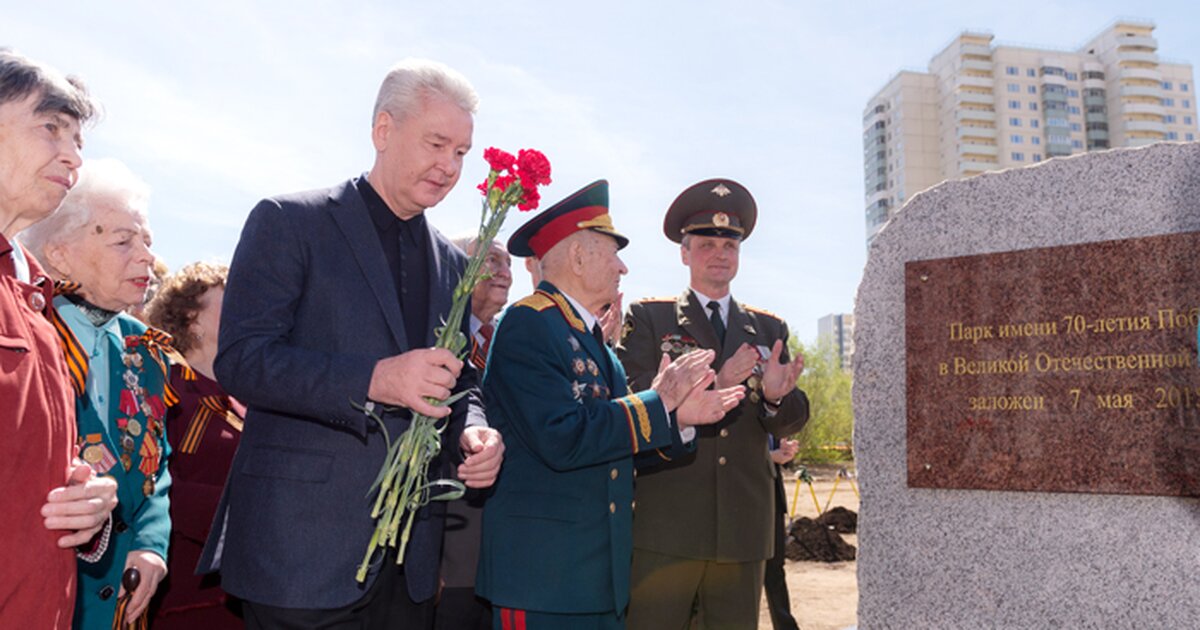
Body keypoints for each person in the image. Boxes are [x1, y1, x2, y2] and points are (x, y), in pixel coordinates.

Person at [197, 58, 504, 629]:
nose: (449, 166)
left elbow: (460, 380)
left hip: (408, 565)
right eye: (437, 144)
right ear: (383, 131)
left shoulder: (453, 265)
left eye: (461, 153)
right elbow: (242, 360)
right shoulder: (289, 221)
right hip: (300, 555)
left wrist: (474, 429)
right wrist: (375, 380)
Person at [476, 180, 745, 629]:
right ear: (578, 257)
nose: (622, 267)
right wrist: (659, 402)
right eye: (611, 252)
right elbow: (563, 437)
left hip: (596, 575)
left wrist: (678, 418)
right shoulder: (528, 324)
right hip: (544, 576)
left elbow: (616, 444)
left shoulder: (592, 341)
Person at [618, 178, 810, 629]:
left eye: (730, 244)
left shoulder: (767, 327)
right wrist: (714, 383)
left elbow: (795, 417)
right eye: (706, 243)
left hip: (742, 530)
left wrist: (778, 396)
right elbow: (631, 396)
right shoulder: (651, 317)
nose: (720, 253)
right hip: (667, 527)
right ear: (684, 253)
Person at [21, 157, 173, 629]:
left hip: (120, 607)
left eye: (146, 240)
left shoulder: (145, 350)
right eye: (123, 241)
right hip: (40, 593)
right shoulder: (26, 333)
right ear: (60, 254)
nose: (147, 256)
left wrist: (151, 543)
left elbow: (156, 462)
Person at [0, 48, 118, 630]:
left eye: (78, 140)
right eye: (51, 128)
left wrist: (88, 505)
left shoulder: (40, 306)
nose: (72, 156)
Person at [144, 262, 244, 627]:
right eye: (231, 298)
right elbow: (153, 483)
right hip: (187, 597)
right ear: (191, 317)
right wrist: (251, 512)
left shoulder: (249, 399)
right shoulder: (165, 387)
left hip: (246, 596)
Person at [437, 236, 513, 630]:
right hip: (449, 557)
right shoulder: (434, 337)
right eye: (492, 261)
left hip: (504, 558)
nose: (505, 272)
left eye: (509, 264)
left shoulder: (517, 340)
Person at [764, 436, 800, 630]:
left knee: (775, 569)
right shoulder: (731, 407)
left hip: (774, 502)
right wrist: (768, 456)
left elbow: (779, 458)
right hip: (742, 503)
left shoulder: (768, 412)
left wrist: (786, 452)